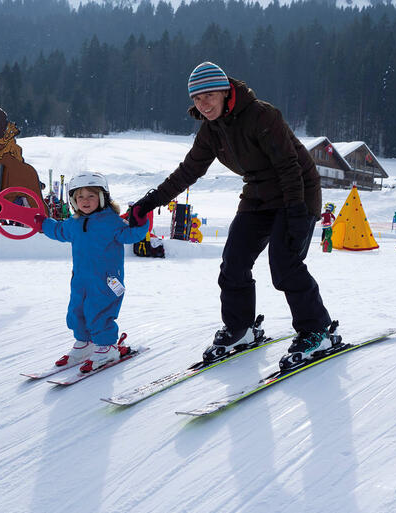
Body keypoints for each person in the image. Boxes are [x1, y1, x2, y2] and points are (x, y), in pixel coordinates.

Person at [128, 61, 335, 371]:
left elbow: (289, 167)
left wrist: (295, 212)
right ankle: (241, 329)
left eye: (209, 95)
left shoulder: (262, 116)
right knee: (234, 262)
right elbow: (188, 172)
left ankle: (317, 331)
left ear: (226, 92)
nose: (204, 104)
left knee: (285, 265)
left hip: (297, 191)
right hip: (258, 194)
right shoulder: (212, 130)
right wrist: (149, 202)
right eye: (197, 99)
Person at [34, 172, 150, 372]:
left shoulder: (111, 222)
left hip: (106, 281)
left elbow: (132, 235)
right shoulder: (74, 223)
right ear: (73, 200)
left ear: (102, 198)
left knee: (100, 311)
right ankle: (84, 343)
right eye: (80, 196)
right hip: (80, 278)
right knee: (76, 310)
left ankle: (107, 347)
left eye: (91, 196)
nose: (85, 201)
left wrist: (141, 222)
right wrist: (43, 224)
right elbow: (59, 230)